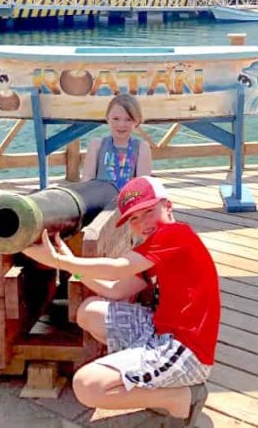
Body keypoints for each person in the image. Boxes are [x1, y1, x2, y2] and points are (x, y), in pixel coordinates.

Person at [23, 176, 218, 428]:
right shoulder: (159, 246)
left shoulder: (174, 235)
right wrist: (73, 266)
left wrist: (58, 262)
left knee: (87, 386)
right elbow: (115, 289)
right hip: (160, 331)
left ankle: (180, 397)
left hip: (186, 351)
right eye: (134, 218)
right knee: (89, 311)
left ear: (168, 206)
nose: (143, 223)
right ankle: (146, 381)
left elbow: (116, 269)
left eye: (149, 211)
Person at [81, 94, 152, 190]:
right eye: (116, 119)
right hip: (99, 198)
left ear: (137, 120)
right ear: (107, 118)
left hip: (128, 198)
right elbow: (87, 179)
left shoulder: (142, 147)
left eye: (128, 119)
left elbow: (142, 184)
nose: (121, 124)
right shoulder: (96, 145)